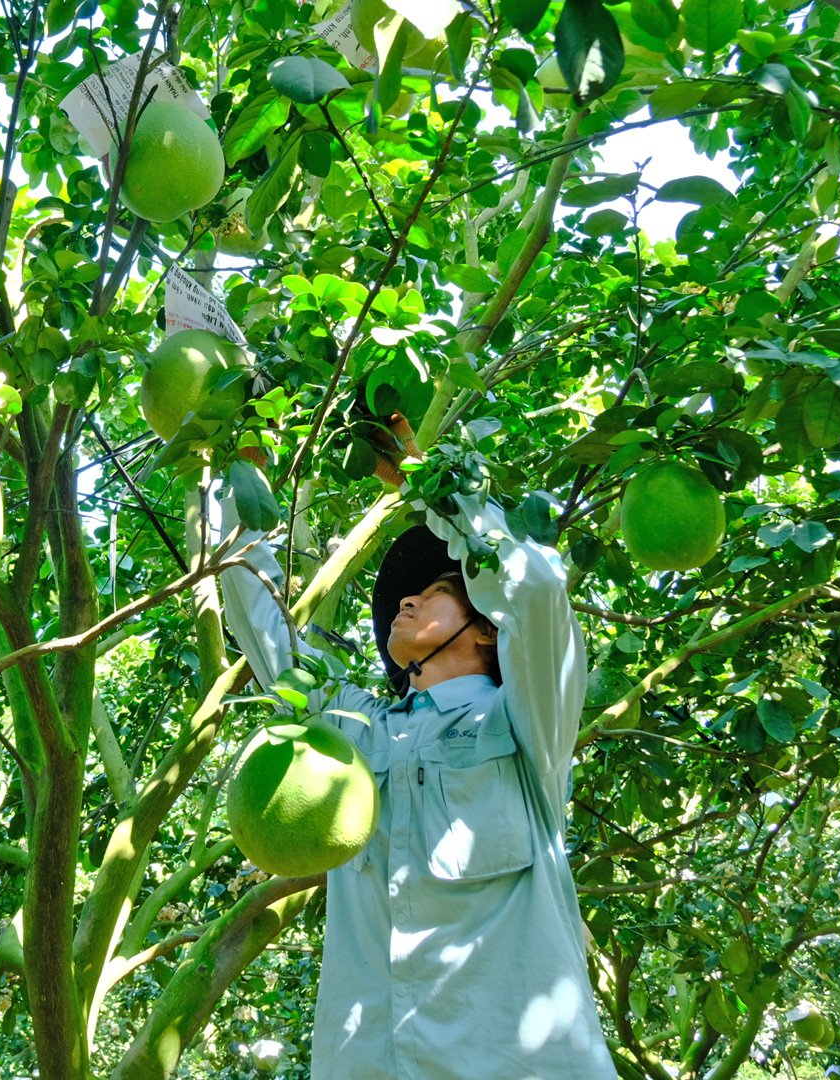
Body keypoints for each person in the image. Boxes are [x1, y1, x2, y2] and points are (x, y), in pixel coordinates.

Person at [211, 431, 617, 1079]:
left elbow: (537, 591)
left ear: (485, 623)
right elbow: (261, 628)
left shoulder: (524, 718)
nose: (406, 598)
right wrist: (232, 473)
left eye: (433, 589)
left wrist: (432, 482)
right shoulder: (355, 733)